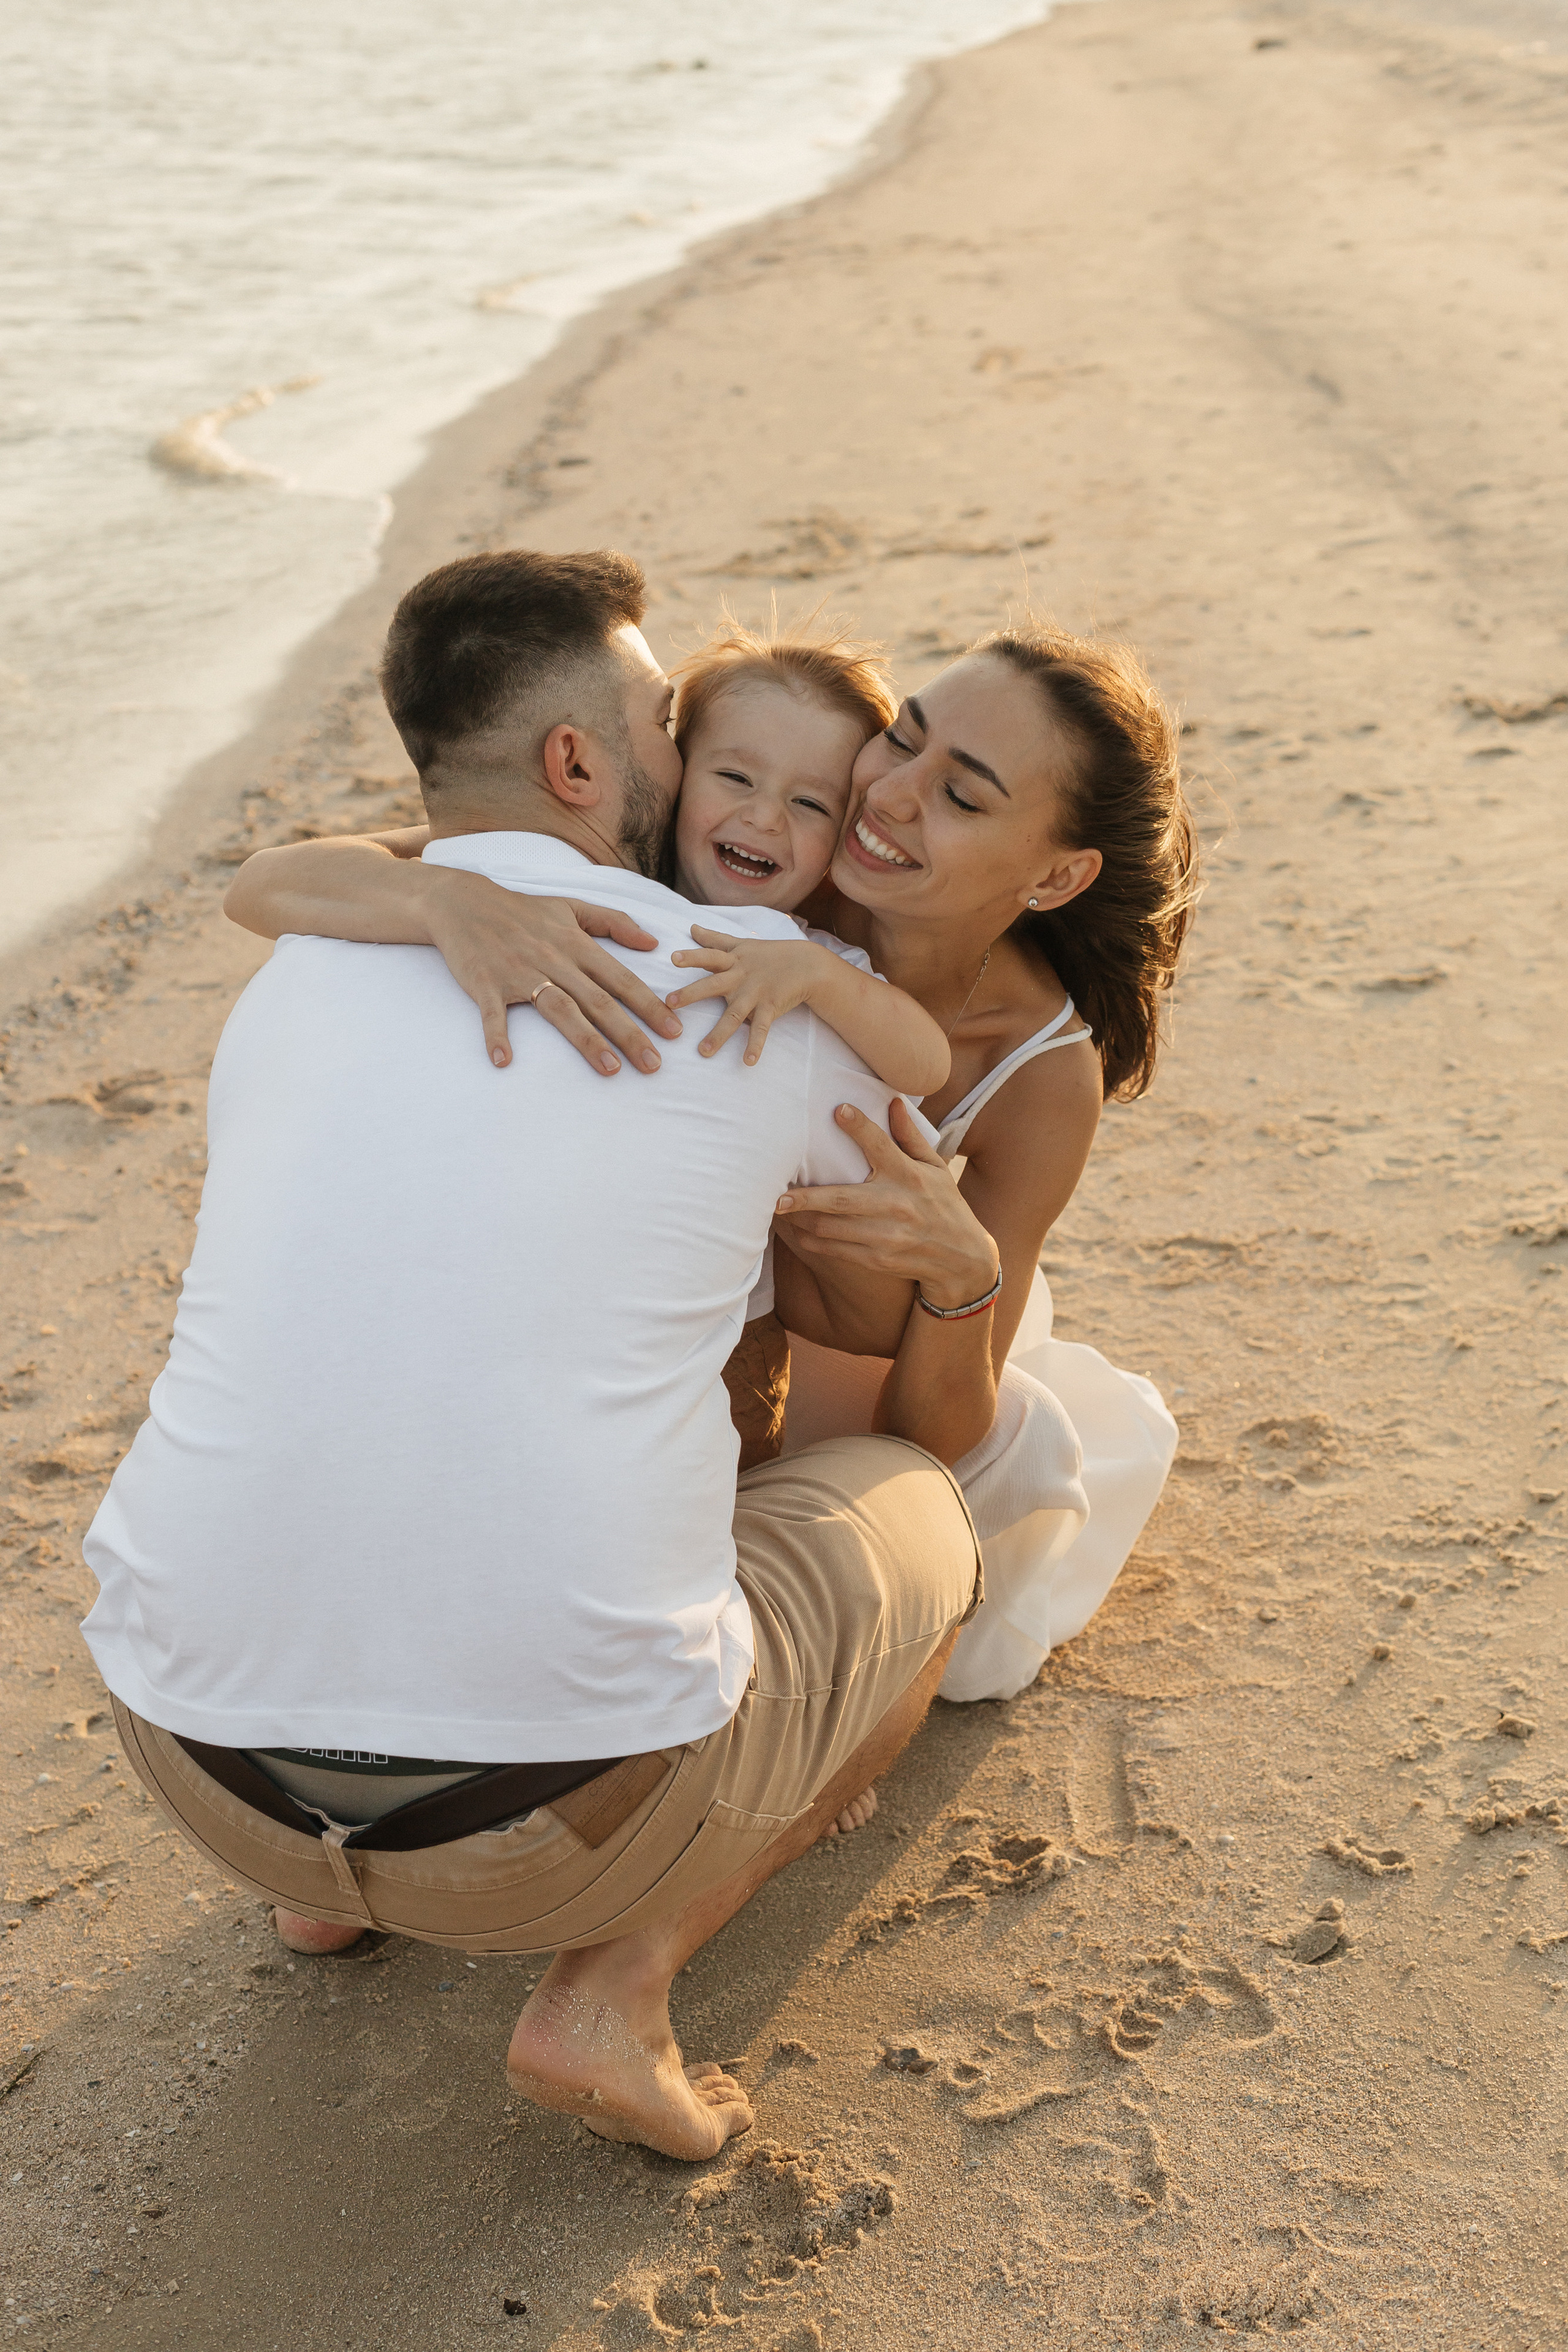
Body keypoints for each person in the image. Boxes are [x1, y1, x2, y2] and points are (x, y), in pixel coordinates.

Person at [80, 549, 995, 2163]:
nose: (679, 760)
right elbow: (869, 1292)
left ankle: (318, 1904)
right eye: (666, 725)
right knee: (913, 1503)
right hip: (550, 1837)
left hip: (191, 1765)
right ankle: (613, 1990)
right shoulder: (763, 1010)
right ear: (584, 763)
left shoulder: (299, 970)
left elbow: (284, 891)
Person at [228, 594, 1199, 1703]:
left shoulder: (1036, 1070)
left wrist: (963, 1276)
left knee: (912, 1626)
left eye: (962, 795)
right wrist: (447, 899)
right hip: (677, 1321)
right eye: (907, 736)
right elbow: (270, 880)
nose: (890, 794)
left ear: (1054, 876)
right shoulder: (777, 850)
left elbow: (933, 1418)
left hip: (878, 1357)